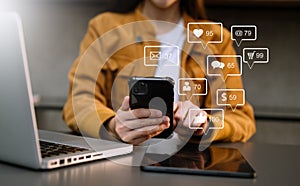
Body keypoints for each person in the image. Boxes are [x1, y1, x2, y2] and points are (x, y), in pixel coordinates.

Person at [62, 0, 256, 145]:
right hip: (122, 159)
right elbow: (78, 101)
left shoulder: (217, 38)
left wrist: (205, 124)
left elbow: (240, 117)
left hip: (190, 167)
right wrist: (112, 124)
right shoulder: (104, 27)